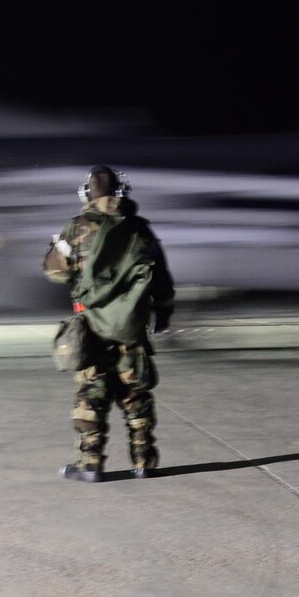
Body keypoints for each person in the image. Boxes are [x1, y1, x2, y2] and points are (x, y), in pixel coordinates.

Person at [43, 166, 176, 481]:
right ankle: (143, 462)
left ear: (87, 193)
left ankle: (91, 464)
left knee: (92, 393)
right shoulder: (140, 229)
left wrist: (60, 250)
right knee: (136, 395)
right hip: (131, 325)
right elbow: (161, 278)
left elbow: (55, 273)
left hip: (93, 327)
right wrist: (163, 312)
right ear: (120, 192)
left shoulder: (76, 228)